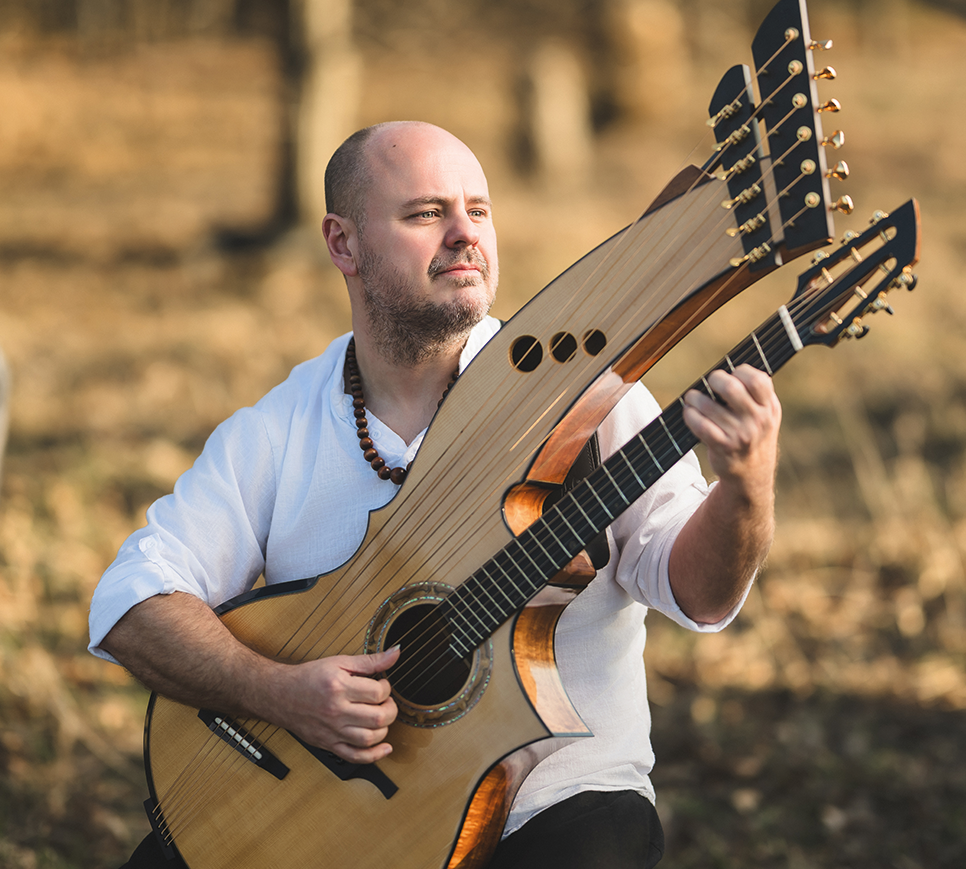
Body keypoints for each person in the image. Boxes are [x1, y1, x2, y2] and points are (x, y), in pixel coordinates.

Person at [89, 121, 781, 869]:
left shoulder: (585, 397)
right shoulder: (280, 428)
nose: (464, 235)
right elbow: (132, 601)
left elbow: (700, 596)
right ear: (342, 244)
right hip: (334, 816)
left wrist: (746, 487)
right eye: (425, 214)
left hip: (554, 811)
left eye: (478, 210)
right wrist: (277, 692)